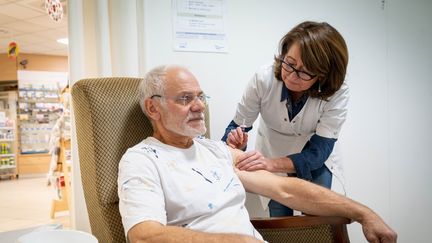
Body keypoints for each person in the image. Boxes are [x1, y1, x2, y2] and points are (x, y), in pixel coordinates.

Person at [117, 64, 396, 243]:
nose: (200, 106)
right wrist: (236, 241)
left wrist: (364, 213)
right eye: (185, 99)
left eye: (201, 97)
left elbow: (286, 190)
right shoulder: (141, 160)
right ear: (153, 108)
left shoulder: (217, 151)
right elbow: (144, 236)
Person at [222, 21, 349, 217]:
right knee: (281, 221)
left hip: (315, 155)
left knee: (320, 220)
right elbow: (236, 127)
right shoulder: (263, 79)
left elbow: (318, 150)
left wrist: (271, 164)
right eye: (289, 63)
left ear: (323, 76)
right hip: (272, 149)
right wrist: (235, 143)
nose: (291, 75)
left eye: (305, 71)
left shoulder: (337, 92)